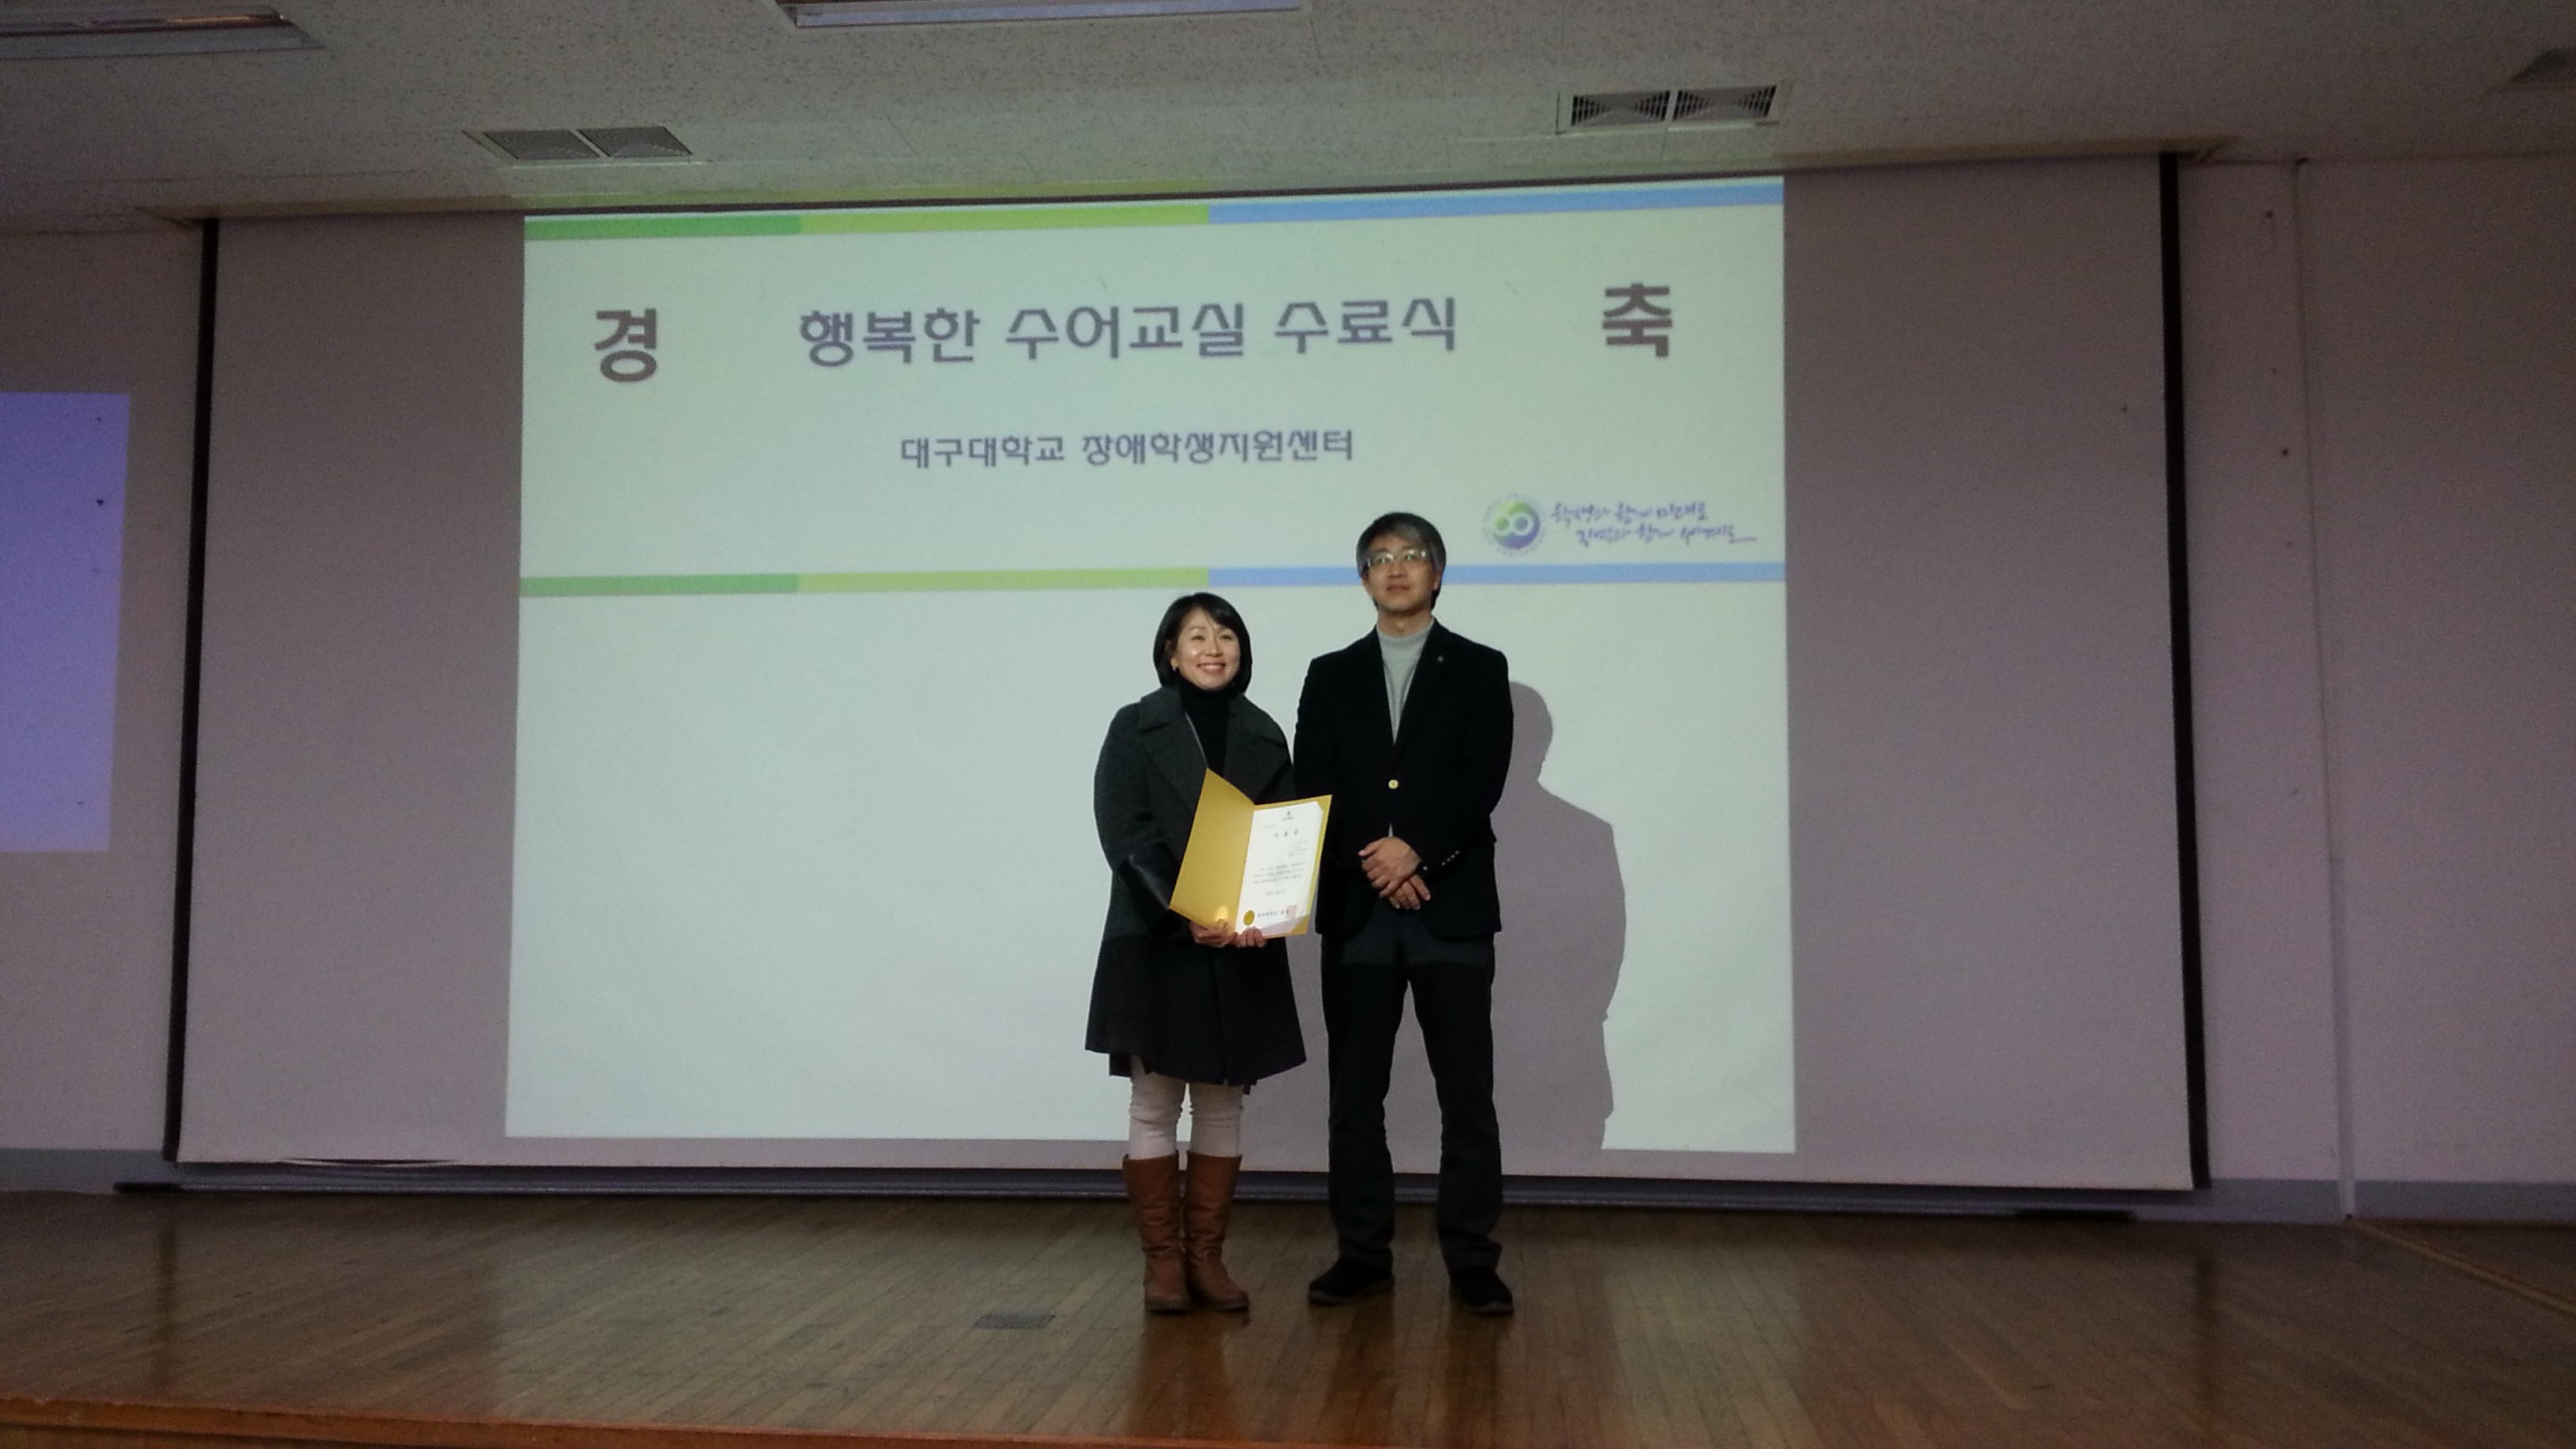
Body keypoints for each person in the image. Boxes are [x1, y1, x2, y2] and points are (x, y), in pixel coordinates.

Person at [1294, 511, 1517, 1316]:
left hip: (1449, 908)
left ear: (1438, 573)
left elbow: (1481, 779)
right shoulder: (1330, 673)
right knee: (1355, 1097)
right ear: (1364, 579)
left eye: (1412, 555)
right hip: (1361, 912)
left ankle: (1472, 1258)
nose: (1396, 567)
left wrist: (1417, 850)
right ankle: (1362, 1254)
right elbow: (1316, 780)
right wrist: (1380, 862)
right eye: (1380, 557)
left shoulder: (1480, 667)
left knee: (1467, 1094)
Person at [1086, 593, 1307, 1313]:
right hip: (1157, 935)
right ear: (1171, 654)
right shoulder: (1135, 726)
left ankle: (1207, 1258)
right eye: (1197, 637)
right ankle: (1162, 1264)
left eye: (1227, 635)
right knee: (1154, 1101)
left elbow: (1282, 840)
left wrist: (1264, 914)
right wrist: (1188, 915)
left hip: (1241, 942)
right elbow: (1125, 832)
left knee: (1221, 1103)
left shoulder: (1264, 732)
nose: (1214, 648)